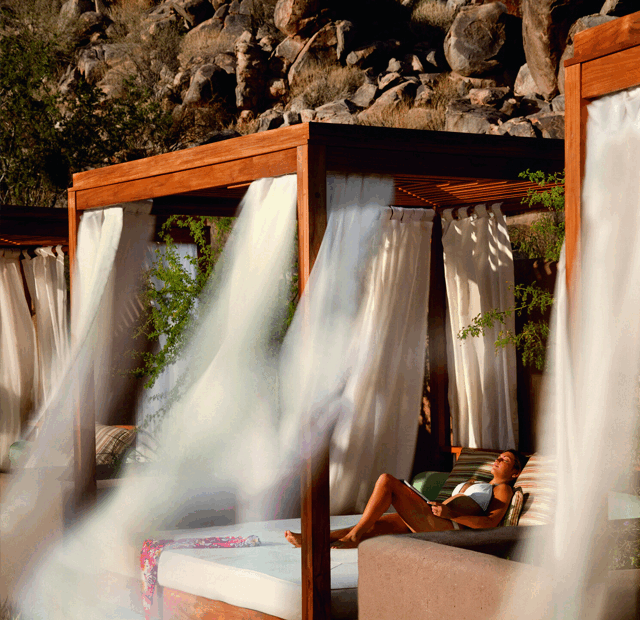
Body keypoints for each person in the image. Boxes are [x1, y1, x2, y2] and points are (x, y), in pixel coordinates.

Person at [284, 450, 523, 549]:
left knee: (387, 481)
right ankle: (314, 541)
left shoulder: (503, 489)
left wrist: (451, 514)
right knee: (372, 523)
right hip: (437, 519)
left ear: (514, 473)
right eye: (499, 457)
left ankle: (353, 538)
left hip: (450, 528)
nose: (498, 460)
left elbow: (490, 523)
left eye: (506, 460)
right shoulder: (477, 481)